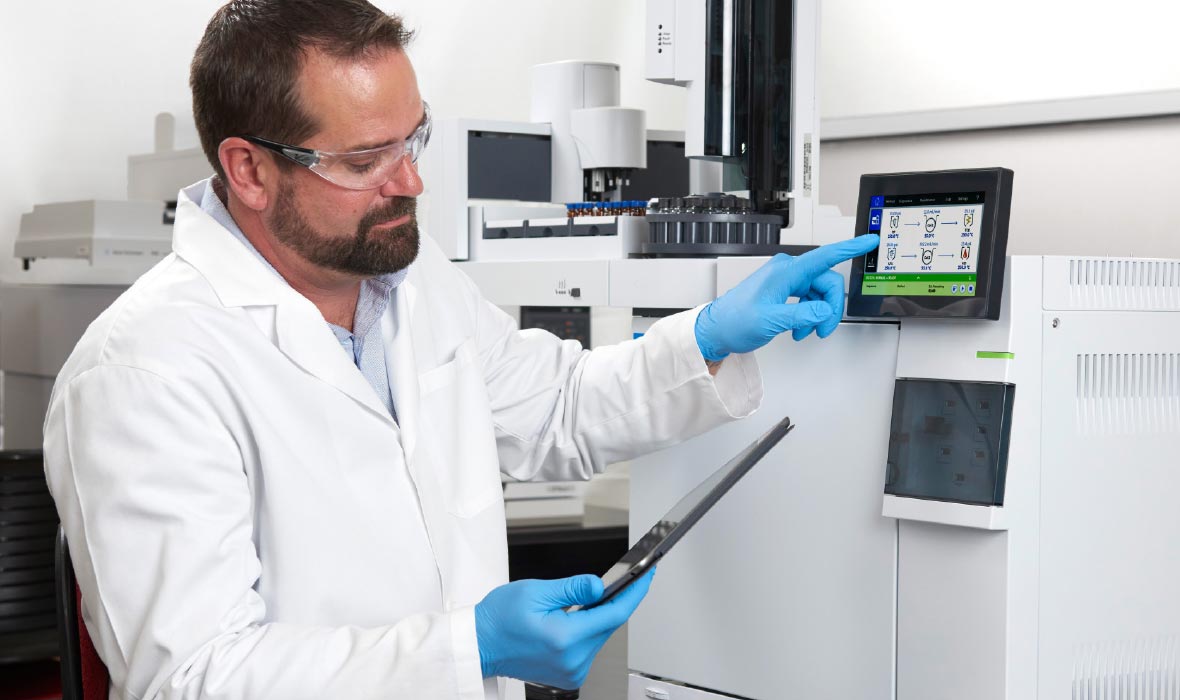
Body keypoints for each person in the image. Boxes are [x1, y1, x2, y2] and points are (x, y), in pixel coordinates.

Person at [42, 2, 879, 699]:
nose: (409, 182)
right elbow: (193, 677)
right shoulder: (143, 370)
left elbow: (556, 407)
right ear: (250, 171)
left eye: (413, 140)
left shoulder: (411, 282)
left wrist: (707, 335)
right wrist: (466, 650)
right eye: (366, 159)